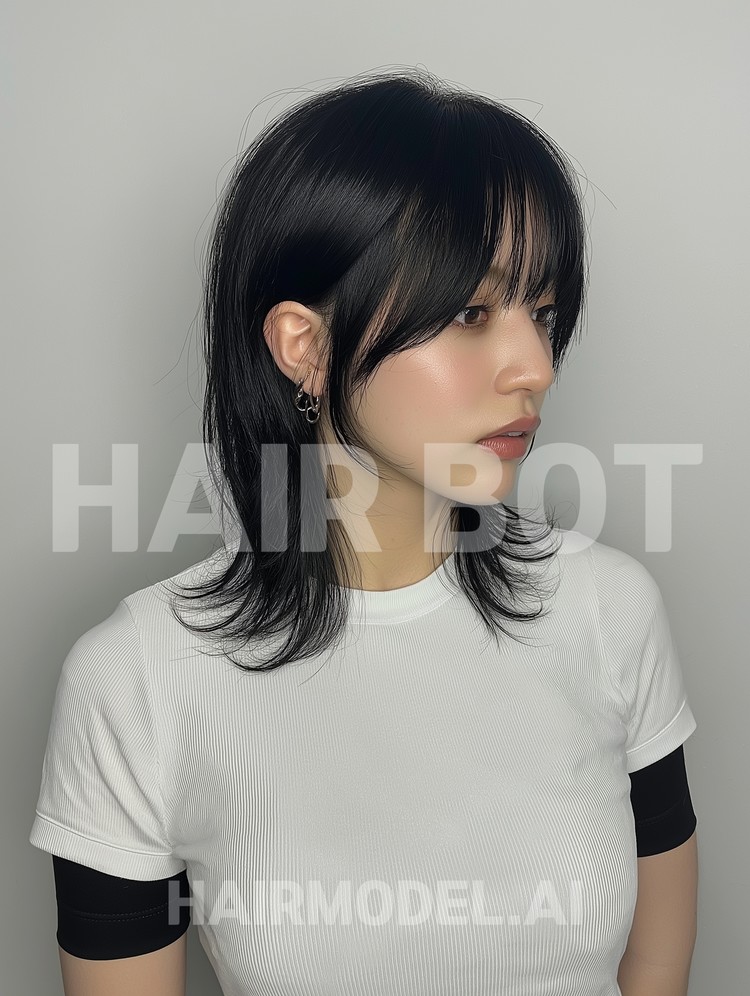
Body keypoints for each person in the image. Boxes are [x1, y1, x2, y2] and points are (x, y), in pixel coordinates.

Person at [29, 68, 698, 996]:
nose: (535, 366)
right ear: (304, 345)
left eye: (542, 313)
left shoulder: (607, 611)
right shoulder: (136, 681)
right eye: (469, 313)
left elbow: (657, 967)